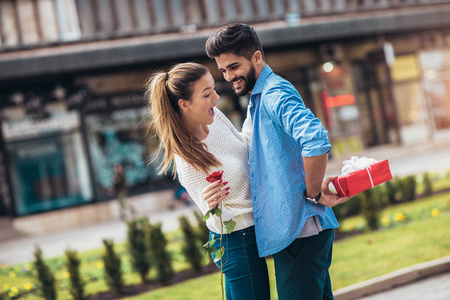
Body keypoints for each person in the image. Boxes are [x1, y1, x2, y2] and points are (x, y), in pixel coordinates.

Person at [205, 23, 351, 300]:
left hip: (301, 232)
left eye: (234, 66)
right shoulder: (260, 97)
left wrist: (314, 192)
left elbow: (315, 140)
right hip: (299, 232)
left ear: (257, 57)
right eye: (223, 70)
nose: (229, 76)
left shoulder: (273, 94)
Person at [145, 62, 270, 300]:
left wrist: (259, 108)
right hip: (237, 243)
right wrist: (212, 208)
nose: (216, 97)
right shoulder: (189, 159)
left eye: (213, 88)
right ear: (184, 104)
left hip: (252, 235)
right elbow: (219, 223)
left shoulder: (215, 118)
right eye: (206, 94)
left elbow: (244, 144)